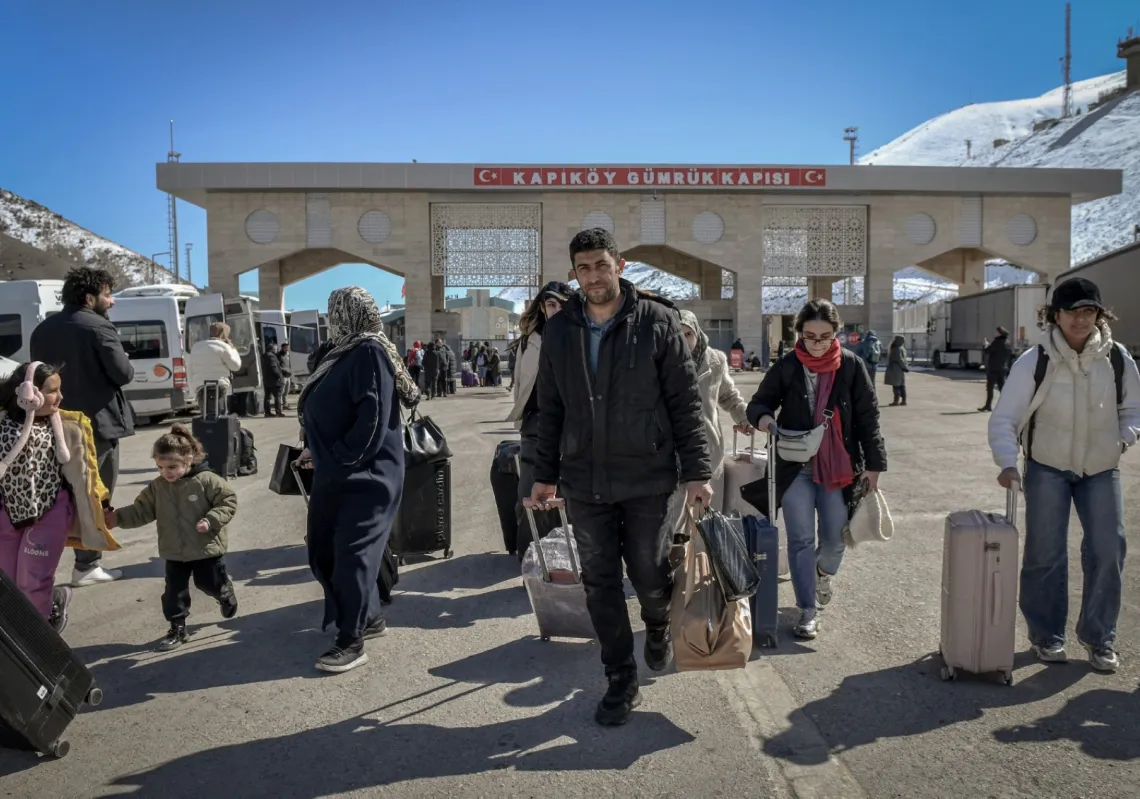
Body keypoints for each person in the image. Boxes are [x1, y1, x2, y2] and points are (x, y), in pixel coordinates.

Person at [530, 228, 712, 727]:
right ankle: (619, 678)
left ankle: (656, 622)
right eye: (583, 268)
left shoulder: (656, 321)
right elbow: (550, 409)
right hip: (583, 479)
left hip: (646, 474)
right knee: (600, 582)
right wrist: (543, 475)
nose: (593, 276)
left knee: (650, 572)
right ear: (574, 274)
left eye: (601, 265)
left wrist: (697, 472)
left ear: (621, 265)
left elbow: (684, 402)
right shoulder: (560, 331)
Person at [988, 277, 1140, 672]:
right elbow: (1005, 418)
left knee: (1109, 550)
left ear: (1099, 315)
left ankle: (1099, 637)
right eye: (1073, 311)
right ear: (1056, 315)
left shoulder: (1117, 358)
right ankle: (1047, 636)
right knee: (1045, 554)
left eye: (1089, 311)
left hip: (1101, 470)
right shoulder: (1035, 361)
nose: (1081, 319)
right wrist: (1007, 462)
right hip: (1047, 468)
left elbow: (1133, 409)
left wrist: (1123, 438)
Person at [746, 299, 887, 640]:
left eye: (825, 336)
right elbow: (759, 402)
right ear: (800, 334)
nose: (818, 343)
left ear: (837, 333)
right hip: (796, 467)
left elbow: (868, 418)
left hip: (838, 468)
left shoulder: (851, 367)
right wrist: (764, 419)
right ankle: (807, 609)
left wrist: (875, 464)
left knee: (835, 539)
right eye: (810, 336)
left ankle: (823, 572)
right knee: (800, 540)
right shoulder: (788, 366)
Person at [296, 286, 420, 674]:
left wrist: (339, 458)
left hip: (367, 474)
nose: (333, 318)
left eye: (338, 311)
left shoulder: (368, 351)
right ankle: (369, 616)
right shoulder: (339, 353)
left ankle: (351, 640)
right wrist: (314, 449)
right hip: (336, 470)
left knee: (351, 553)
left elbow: (373, 417)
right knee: (326, 547)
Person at [29, 266, 134, 588]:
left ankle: (34, 566)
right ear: (90, 297)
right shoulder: (99, 328)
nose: (112, 301)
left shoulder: (43, 329)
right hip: (95, 428)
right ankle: (87, 566)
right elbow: (123, 374)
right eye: (107, 294)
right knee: (94, 495)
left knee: (56, 497)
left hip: (53, 425)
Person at [0, 362, 117, 632]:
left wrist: (103, 502)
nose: (60, 397)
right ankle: (52, 600)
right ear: (30, 392)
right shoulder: (3, 421)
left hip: (49, 512)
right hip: (8, 514)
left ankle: (39, 641)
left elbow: (86, 471)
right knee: (8, 582)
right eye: (53, 391)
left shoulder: (67, 427)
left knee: (31, 581)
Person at [106, 426, 238, 651]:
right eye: (160, 467)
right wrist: (116, 518)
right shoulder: (158, 487)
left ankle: (224, 591)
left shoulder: (207, 480)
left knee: (208, 583)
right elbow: (141, 510)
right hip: (173, 550)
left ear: (189, 458)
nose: (166, 472)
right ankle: (177, 628)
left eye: (172, 466)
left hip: (205, 547)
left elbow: (228, 501)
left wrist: (211, 520)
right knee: (173, 593)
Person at [665, 311, 752, 537]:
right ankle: (673, 567)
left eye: (688, 334)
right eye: (677, 334)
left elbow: (728, 395)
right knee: (670, 520)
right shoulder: (659, 360)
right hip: (668, 452)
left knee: (706, 519)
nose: (683, 340)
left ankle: (705, 568)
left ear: (697, 333)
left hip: (707, 450)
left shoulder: (715, 361)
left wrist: (744, 418)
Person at [507, 281, 572, 559]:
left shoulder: (580, 336)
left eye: (561, 304)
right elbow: (521, 381)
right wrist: (522, 416)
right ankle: (530, 559)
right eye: (550, 304)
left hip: (570, 429)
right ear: (542, 308)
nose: (555, 310)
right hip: (535, 426)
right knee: (529, 496)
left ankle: (565, 557)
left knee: (566, 497)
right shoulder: (530, 340)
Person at [187, 322, 242, 415]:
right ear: (224, 333)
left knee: (205, 414)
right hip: (220, 384)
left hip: (200, 386)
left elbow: (190, 369)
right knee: (220, 414)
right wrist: (233, 349)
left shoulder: (196, 347)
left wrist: (193, 387)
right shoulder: (224, 347)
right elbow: (236, 366)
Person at [978, 326, 1013, 412]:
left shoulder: (997, 342)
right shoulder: (1008, 342)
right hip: (1003, 368)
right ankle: (1007, 406)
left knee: (990, 387)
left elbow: (987, 351)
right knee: (1002, 388)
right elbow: (1010, 354)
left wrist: (985, 344)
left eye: (996, 332)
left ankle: (988, 406)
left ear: (1000, 333)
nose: (995, 333)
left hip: (994, 368)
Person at [261, 342, 285, 418]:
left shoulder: (265, 356)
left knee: (267, 397)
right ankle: (278, 412)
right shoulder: (271, 357)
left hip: (266, 380)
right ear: (273, 349)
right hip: (274, 380)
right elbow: (274, 368)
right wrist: (279, 376)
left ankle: (267, 413)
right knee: (277, 396)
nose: (277, 350)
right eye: (276, 348)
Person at [884, 335, 909, 406]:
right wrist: (905, 367)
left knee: (896, 386)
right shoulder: (902, 348)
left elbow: (899, 359)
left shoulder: (896, 349)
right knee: (902, 385)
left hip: (895, 369)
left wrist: (904, 367)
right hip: (900, 369)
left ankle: (896, 401)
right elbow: (903, 360)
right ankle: (904, 400)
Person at [278, 342, 293, 410]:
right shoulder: (279, 355)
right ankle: (279, 405)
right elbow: (278, 366)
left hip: (288, 376)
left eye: (288, 347)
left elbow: (289, 365)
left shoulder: (287, 355)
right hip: (283, 376)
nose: (287, 348)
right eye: (286, 347)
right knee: (282, 391)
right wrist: (285, 370)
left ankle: (285, 404)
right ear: (282, 348)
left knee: (286, 391)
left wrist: (290, 371)